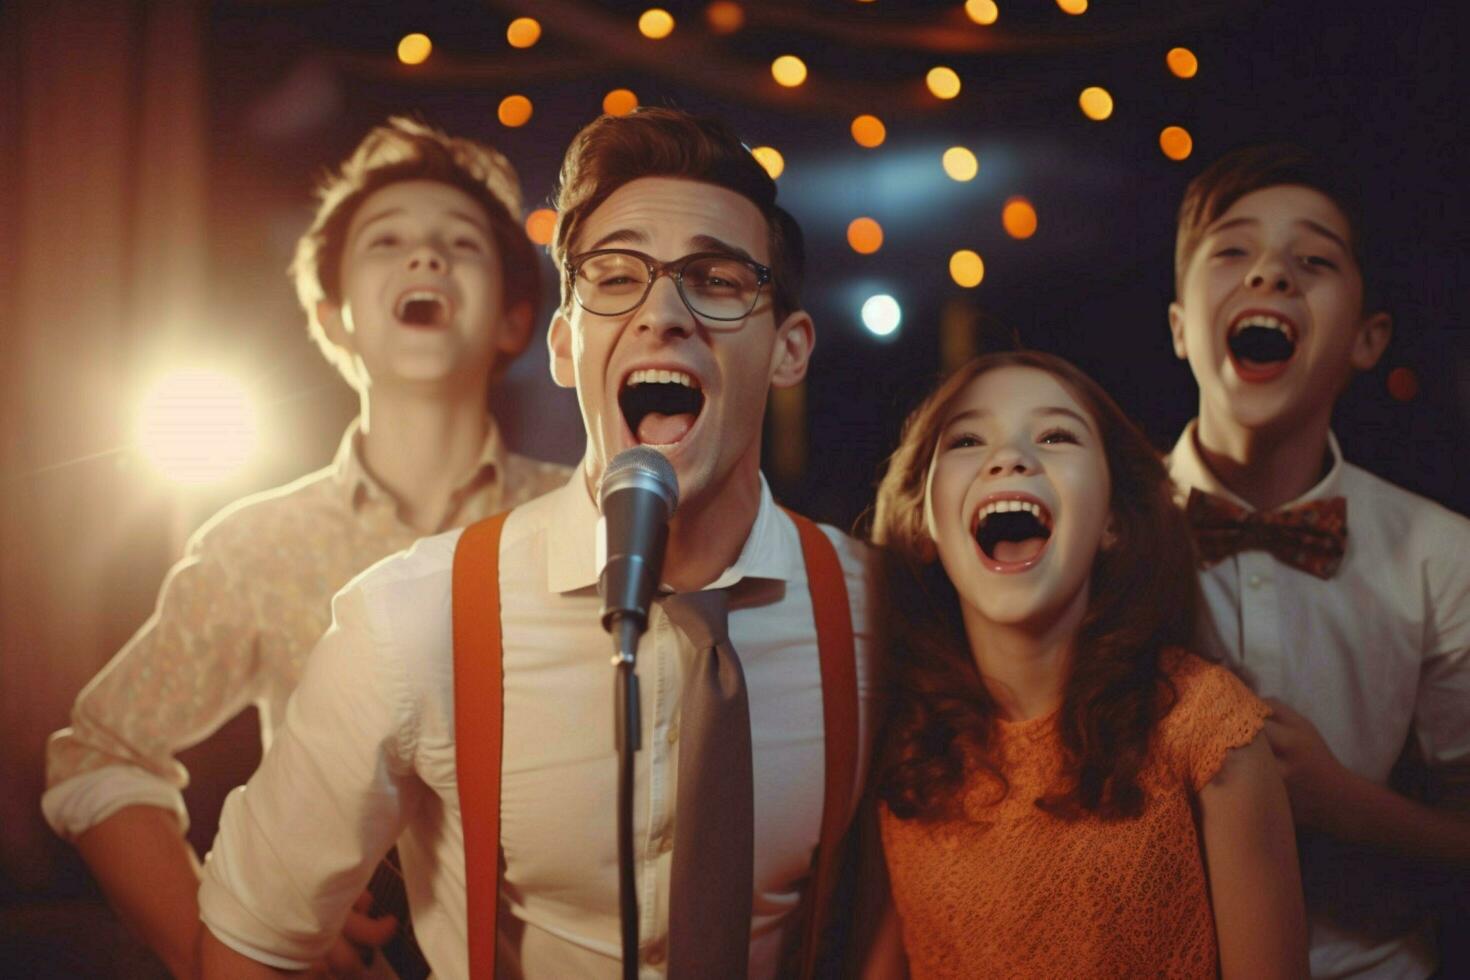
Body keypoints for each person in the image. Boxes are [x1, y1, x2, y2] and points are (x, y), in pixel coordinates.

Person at [195, 107, 879, 979]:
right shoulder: (413, 620)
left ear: (788, 350)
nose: (662, 312)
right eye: (616, 275)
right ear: (565, 344)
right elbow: (248, 944)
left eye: (714, 278)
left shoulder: (879, 613)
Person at [42, 117, 571, 978]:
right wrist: (232, 944)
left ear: (516, 320)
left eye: (459, 244)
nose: (425, 259)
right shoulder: (260, 544)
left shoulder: (575, 520)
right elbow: (96, 755)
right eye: (388, 240)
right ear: (334, 316)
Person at [868, 350, 1307, 978]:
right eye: (967, 439)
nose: (1011, 457)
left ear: (1113, 522)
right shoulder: (904, 749)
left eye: (1055, 435)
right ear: (921, 523)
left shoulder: (1207, 730)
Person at [1166, 143, 1470, 978]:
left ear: (1368, 338)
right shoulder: (1105, 530)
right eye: (1233, 250)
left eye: (1313, 259)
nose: (1270, 275)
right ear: (1181, 326)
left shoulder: (1441, 554)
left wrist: (1343, 804)